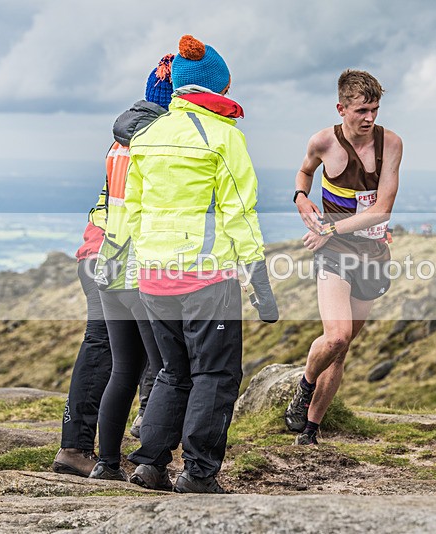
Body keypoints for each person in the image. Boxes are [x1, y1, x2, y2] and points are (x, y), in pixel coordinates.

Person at [125, 34, 278, 493]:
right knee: (215, 374)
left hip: (153, 276)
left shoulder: (147, 136)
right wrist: (260, 285)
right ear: (216, 87)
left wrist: (132, 272)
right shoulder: (224, 138)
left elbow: (131, 208)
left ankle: (150, 464)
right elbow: (239, 214)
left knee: (173, 371)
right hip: (206, 278)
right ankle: (198, 473)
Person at [285, 69, 403, 445]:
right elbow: (304, 172)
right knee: (336, 337)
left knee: (342, 351)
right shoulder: (323, 142)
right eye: (361, 111)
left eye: (375, 109)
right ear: (341, 108)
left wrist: (328, 229)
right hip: (335, 254)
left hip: (372, 254)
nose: (369, 118)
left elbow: (382, 210)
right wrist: (301, 198)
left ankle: (310, 430)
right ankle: (303, 389)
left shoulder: (392, 144)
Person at [85, 55, 177, 480]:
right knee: (163, 368)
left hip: (110, 264)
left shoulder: (117, 144)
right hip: (141, 270)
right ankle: (148, 463)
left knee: (123, 370)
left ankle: (105, 465)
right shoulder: (158, 145)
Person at [52, 183, 110, 477]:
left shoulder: (123, 141)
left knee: (110, 348)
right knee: (102, 347)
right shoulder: (145, 142)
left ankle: (78, 448)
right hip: (111, 259)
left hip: (98, 256)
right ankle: (74, 449)